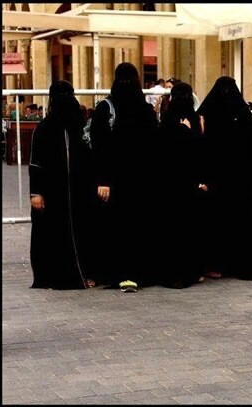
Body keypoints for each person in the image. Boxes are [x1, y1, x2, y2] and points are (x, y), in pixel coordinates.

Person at [89, 62, 159, 291]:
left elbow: (99, 147)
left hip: (116, 181)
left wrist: (103, 179)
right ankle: (140, 273)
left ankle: (118, 273)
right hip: (141, 181)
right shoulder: (145, 110)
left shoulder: (106, 108)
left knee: (116, 229)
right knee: (139, 227)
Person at [197, 76, 252, 280]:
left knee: (219, 223)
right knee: (243, 224)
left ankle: (218, 265)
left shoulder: (209, 115)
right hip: (243, 181)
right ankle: (246, 265)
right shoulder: (244, 116)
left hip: (219, 180)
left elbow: (202, 147)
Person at [29, 80, 93, 289]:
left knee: (81, 232)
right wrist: (35, 193)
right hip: (52, 192)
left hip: (78, 191)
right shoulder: (44, 129)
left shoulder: (80, 127)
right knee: (52, 233)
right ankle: (53, 274)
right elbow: (36, 163)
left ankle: (82, 273)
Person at [155, 81, 207, 288]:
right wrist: (185, 131)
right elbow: (198, 152)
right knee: (188, 230)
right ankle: (189, 271)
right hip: (188, 185)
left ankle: (170, 272)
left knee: (171, 229)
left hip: (169, 185)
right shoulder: (193, 121)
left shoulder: (165, 121)